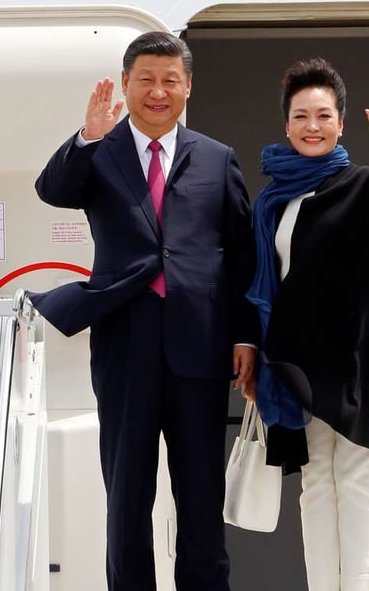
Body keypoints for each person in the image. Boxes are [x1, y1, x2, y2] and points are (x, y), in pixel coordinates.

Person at [27, 31, 259, 591]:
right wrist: (86, 135)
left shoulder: (215, 157)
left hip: (199, 345)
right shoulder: (98, 152)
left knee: (199, 496)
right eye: (146, 80)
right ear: (126, 83)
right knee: (127, 494)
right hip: (124, 339)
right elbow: (51, 190)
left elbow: (244, 256)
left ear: (188, 88)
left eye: (170, 81)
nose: (159, 92)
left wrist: (246, 338)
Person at [245, 57, 369, 591]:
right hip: (295, 360)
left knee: (354, 479)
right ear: (286, 125)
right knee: (314, 484)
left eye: (323, 115)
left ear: (341, 124)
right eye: (301, 115)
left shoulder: (364, 184)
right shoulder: (272, 200)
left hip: (356, 356)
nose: (312, 126)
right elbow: (259, 283)